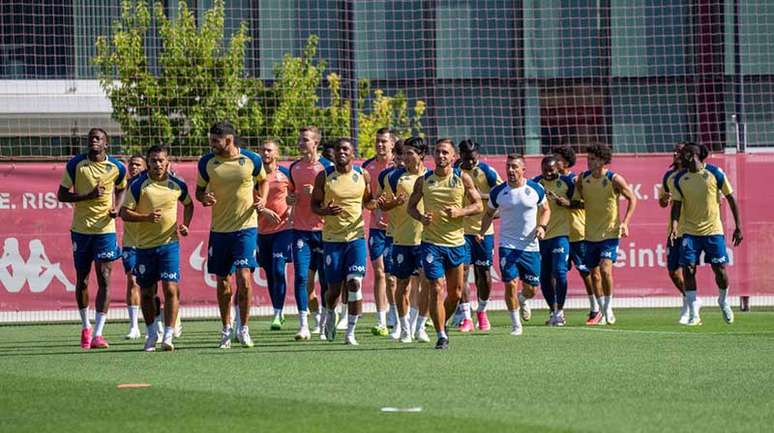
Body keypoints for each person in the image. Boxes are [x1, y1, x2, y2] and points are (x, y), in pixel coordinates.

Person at [196, 121, 268, 348]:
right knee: (223, 282)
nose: (212, 144)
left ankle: (243, 329)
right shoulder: (207, 162)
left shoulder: (251, 160)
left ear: (228, 140)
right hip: (220, 230)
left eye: (215, 141)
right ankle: (226, 328)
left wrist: (263, 199)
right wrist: (203, 198)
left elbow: (263, 180)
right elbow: (199, 190)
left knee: (244, 279)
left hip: (246, 228)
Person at [407, 138, 482, 350]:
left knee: (456, 293)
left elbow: (478, 205)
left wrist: (461, 211)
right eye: (438, 152)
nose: (441, 156)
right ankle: (441, 335)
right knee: (436, 288)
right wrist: (421, 218)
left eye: (445, 153)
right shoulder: (424, 181)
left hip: (456, 243)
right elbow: (410, 208)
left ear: (453, 157)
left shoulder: (462, 178)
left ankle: (443, 322)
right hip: (431, 243)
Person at [57, 127, 127, 350]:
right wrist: (87, 196)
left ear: (106, 143)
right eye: (91, 139)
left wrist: (117, 206)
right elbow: (61, 194)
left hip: (106, 230)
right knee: (83, 280)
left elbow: (122, 188)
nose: (93, 141)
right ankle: (85, 327)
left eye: (98, 139)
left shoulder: (117, 167)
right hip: (81, 230)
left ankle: (98, 334)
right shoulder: (76, 164)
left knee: (105, 277)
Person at [120, 145, 194, 351]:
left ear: (167, 162)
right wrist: (146, 217)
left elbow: (189, 204)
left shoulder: (177, 185)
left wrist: (186, 224)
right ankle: (152, 332)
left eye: (161, 160)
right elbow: (124, 213)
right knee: (146, 292)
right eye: (153, 161)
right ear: (148, 163)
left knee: (170, 288)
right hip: (144, 247)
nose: (158, 164)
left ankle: (168, 336)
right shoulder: (138, 185)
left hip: (169, 245)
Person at [670, 143, 742, 326]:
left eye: (684, 153)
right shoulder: (680, 178)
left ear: (694, 154)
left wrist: (738, 226)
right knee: (688, 269)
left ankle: (723, 300)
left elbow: (731, 198)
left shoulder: (715, 173)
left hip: (713, 231)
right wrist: (674, 227)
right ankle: (694, 314)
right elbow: (676, 207)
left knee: (719, 269)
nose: (680, 156)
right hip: (689, 232)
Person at [313, 138, 376, 345]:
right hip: (332, 239)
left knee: (354, 283)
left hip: (356, 238)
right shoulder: (324, 176)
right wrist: (326, 211)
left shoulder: (362, 175)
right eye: (338, 149)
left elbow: (368, 201)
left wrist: (376, 203)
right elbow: (314, 205)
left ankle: (350, 332)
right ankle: (330, 313)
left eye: (345, 149)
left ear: (352, 152)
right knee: (333, 290)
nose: (341, 152)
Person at [480, 154, 549, 336]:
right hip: (507, 244)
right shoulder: (498, 192)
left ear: (523, 170)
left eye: (514, 167)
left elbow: (546, 210)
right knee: (510, 283)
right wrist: (481, 232)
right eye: (508, 166)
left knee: (532, 289)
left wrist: (541, 226)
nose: (510, 170)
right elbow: (488, 214)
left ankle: (523, 299)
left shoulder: (536, 189)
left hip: (530, 246)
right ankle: (516, 325)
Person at [573, 144, 637, 325]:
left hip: (610, 232)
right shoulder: (582, 179)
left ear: (602, 161)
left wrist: (625, 223)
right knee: (594, 274)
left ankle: (608, 307)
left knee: (605, 269)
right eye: (588, 159)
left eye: (593, 159)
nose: (589, 162)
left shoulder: (613, 179)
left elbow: (632, 198)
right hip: (590, 234)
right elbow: (578, 201)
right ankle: (601, 309)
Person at [257, 138, 310, 339]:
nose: (266, 153)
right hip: (262, 231)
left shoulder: (285, 174)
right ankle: (276, 309)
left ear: (276, 154)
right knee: (270, 272)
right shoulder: (256, 175)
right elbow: (252, 200)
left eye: (269, 150)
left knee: (279, 268)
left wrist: (289, 209)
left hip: (283, 229)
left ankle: (278, 314)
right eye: (263, 149)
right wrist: (265, 211)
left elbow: (295, 196)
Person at [381, 137, 432, 343]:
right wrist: (392, 203)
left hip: (427, 239)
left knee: (427, 283)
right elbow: (382, 206)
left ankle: (420, 326)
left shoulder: (432, 177)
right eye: (404, 153)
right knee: (401, 284)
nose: (405, 158)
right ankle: (404, 328)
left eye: (410, 153)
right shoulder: (394, 178)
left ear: (420, 155)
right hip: (401, 238)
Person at [288, 127, 332, 337]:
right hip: (300, 231)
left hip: (324, 231)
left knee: (325, 279)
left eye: (305, 139)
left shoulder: (327, 168)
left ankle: (325, 321)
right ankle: (304, 324)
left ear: (316, 143)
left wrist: (317, 194)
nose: (301, 142)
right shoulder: (294, 167)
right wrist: (290, 199)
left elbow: (335, 199)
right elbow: (290, 194)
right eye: (300, 139)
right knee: (301, 277)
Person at [456, 139, 502, 332]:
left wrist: (482, 197)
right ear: (461, 156)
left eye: (474, 158)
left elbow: (500, 194)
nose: (472, 162)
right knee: (462, 272)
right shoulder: (454, 172)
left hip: (483, 231)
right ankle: (466, 316)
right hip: (459, 231)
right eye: (467, 159)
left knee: (483, 274)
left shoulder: (488, 172)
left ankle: (482, 312)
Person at [553, 145, 600, 324]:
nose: (554, 161)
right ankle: (557, 311)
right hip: (559, 234)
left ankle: (595, 308)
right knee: (557, 273)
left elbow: (587, 203)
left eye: (557, 158)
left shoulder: (575, 180)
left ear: (565, 162)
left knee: (585, 272)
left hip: (578, 233)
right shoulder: (552, 180)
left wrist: (568, 203)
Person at [362, 128, 397, 336]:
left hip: (399, 229)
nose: (380, 145)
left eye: (384, 141)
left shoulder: (400, 166)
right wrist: (374, 203)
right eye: (377, 141)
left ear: (393, 144)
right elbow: (366, 201)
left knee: (399, 277)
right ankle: (382, 320)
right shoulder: (367, 168)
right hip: (377, 229)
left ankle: (400, 313)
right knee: (380, 272)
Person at [533, 156, 574, 326]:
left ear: (558, 168)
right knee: (544, 277)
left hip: (561, 235)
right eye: (545, 170)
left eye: (552, 170)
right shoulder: (535, 184)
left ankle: (560, 311)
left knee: (560, 273)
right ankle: (553, 310)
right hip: (541, 236)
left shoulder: (567, 182)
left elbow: (581, 203)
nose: (549, 173)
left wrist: (567, 202)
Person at [659, 142, 689, 324]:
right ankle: (690, 298)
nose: (676, 154)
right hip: (674, 231)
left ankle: (690, 307)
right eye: (675, 151)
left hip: (692, 229)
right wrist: (664, 199)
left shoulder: (695, 174)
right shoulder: (669, 176)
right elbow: (662, 203)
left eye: (680, 151)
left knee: (688, 268)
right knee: (672, 271)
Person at [122, 154, 146, 340]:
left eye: (138, 164)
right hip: (130, 241)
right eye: (131, 164)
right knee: (132, 281)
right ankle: (134, 326)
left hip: (150, 240)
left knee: (152, 284)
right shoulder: (124, 186)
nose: (133, 167)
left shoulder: (150, 185)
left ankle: (161, 321)